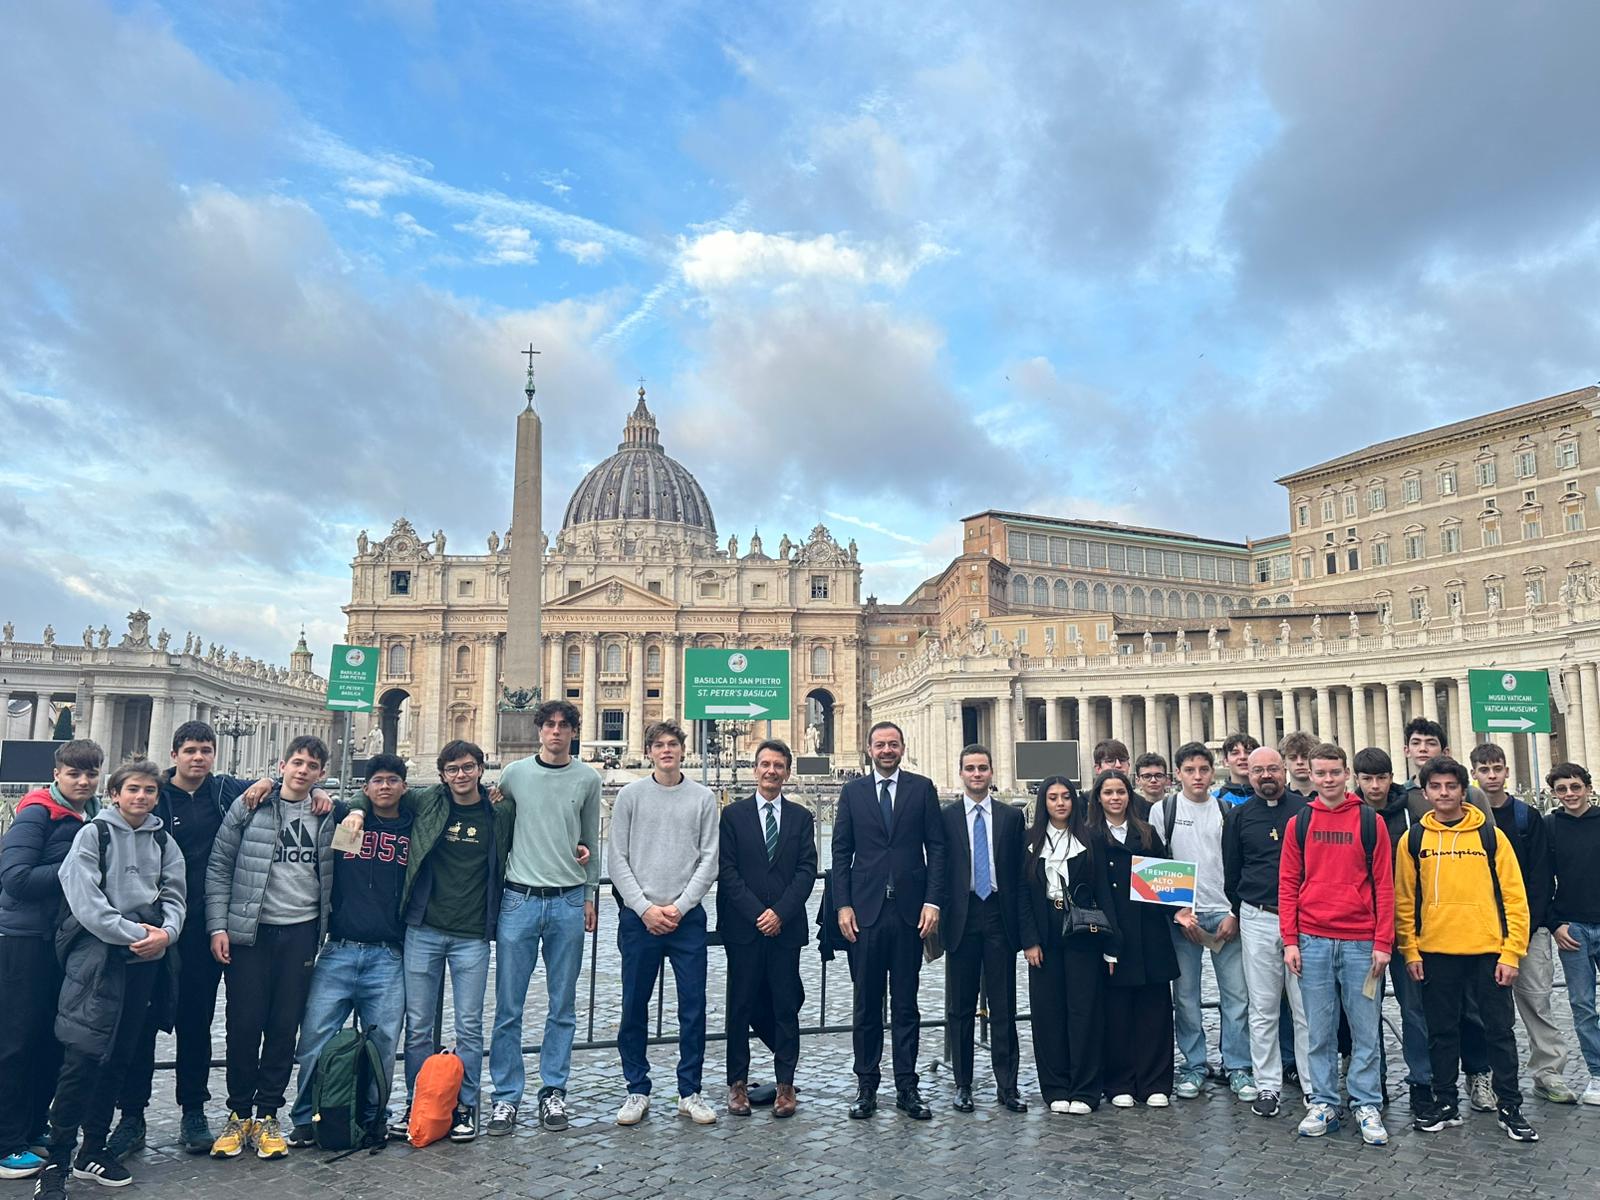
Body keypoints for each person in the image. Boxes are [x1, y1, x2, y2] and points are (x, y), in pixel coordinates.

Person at [341, 739, 515, 1143]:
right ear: (442, 774)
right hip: (424, 929)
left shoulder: (500, 811)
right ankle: (419, 1103)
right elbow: (376, 790)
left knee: (469, 1027)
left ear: (480, 769)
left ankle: (464, 1106)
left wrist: (581, 853)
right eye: (453, 769)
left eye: (468, 767)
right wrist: (353, 809)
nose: (460, 775)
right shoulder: (428, 802)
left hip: (472, 934)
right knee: (418, 1027)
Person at [114, 722, 272, 1158]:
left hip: (204, 927)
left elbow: (276, 784)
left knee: (196, 1023)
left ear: (215, 754)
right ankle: (131, 1116)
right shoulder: (155, 795)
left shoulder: (224, 792)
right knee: (141, 1023)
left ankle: (193, 1111)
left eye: (205, 750)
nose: (198, 757)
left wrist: (271, 780)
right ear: (175, 754)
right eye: (190, 750)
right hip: (155, 927)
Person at [36, 761, 185, 1196]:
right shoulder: (93, 835)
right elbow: (85, 898)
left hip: (145, 963)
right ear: (116, 794)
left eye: (150, 791)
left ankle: (93, 1150)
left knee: (120, 1056)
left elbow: (177, 892)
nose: (141, 797)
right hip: (99, 959)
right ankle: (57, 1161)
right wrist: (138, 934)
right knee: (82, 1057)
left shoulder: (163, 839)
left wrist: (168, 933)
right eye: (133, 789)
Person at [206, 736, 338, 1161]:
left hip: (300, 932)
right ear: (282, 765)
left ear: (321, 774)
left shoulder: (327, 813)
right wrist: (217, 926)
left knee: (284, 1028)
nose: (302, 770)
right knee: (242, 1026)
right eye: (297, 762)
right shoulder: (249, 803)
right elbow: (220, 865)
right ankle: (238, 1113)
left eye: (312, 766)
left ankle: (267, 1115)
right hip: (251, 931)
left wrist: (323, 796)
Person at [1394, 756, 1537, 1141]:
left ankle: (1510, 1106)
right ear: (1424, 793)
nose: (1444, 794)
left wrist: (1512, 953)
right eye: (1436, 787)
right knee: (1441, 1032)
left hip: (1488, 950)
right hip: (1436, 951)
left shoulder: (1491, 836)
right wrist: (1410, 950)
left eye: (1450, 787)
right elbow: (1404, 901)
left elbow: (1514, 898)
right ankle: (1445, 1102)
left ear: (1463, 790)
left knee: (1499, 1033)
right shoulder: (1414, 840)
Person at [283, 755, 414, 1148]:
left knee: (385, 1045)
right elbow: (304, 791)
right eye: (377, 780)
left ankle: (374, 1117)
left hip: (388, 956)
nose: (385, 787)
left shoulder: (414, 826)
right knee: (314, 1040)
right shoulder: (345, 817)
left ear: (404, 787)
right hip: (338, 950)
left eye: (393, 780)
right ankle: (306, 1116)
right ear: (365, 787)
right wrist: (270, 784)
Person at [487, 701, 601, 1136]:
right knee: (508, 1007)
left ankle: (553, 1089)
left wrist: (590, 893)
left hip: (569, 901)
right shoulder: (514, 775)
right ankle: (505, 1096)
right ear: (539, 731)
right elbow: (495, 822)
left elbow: (592, 839)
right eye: (550, 725)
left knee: (562, 1006)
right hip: (519, 900)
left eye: (564, 726)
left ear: (574, 731)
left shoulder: (589, 778)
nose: (556, 732)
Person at [1278, 743, 1394, 1146]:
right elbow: (1289, 883)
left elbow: (1384, 884)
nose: (1327, 779)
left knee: (1365, 1031)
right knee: (1319, 1030)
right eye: (1320, 772)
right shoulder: (1299, 823)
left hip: (1361, 940)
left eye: (1334, 772)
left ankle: (1366, 1103)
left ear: (1347, 774)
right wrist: (1289, 941)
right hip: (1312, 939)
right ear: (1310, 774)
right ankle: (1324, 1102)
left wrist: (1384, 942)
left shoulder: (1369, 821)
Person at [832, 721, 946, 1121]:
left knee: (906, 1005)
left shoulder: (922, 788)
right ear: (868, 749)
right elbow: (840, 854)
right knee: (865, 1005)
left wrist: (933, 901)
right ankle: (866, 1086)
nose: (886, 750)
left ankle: (906, 1085)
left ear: (902, 747)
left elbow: (936, 848)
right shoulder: (852, 792)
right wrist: (842, 906)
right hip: (864, 915)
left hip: (910, 914)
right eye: (879, 744)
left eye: (892, 744)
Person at [0, 740, 102, 1181]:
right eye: (74, 773)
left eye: (91, 773)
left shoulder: (90, 817)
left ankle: (32, 1126)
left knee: (48, 1039)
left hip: (57, 942)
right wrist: (74, 866)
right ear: (57, 774)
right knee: (17, 1040)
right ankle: (7, 1142)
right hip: (23, 939)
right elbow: (16, 878)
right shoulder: (36, 812)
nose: (82, 781)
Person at [610, 722, 720, 1127]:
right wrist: (644, 909)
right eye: (659, 745)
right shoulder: (629, 795)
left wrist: (681, 905)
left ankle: (689, 1090)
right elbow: (616, 857)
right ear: (650, 751)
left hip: (687, 919)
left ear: (684, 750)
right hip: (640, 919)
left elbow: (710, 858)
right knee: (633, 1006)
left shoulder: (703, 797)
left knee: (692, 1008)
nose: (667, 750)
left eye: (673, 744)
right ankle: (636, 1088)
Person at [717, 739, 816, 1119]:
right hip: (744, 926)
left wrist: (781, 913)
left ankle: (785, 1083)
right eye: (765, 764)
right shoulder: (733, 816)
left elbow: (807, 870)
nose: (771, 771)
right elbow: (727, 871)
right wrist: (760, 912)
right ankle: (737, 1083)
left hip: (785, 928)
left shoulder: (801, 818)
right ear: (754, 769)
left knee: (785, 1006)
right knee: (739, 1007)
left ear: (787, 772)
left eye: (778, 765)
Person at [1468, 742, 1572, 1103]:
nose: (1492, 776)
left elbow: (1541, 876)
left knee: (1537, 1002)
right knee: (1487, 1010)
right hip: (1482, 930)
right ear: (1474, 774)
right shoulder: (1468, 819)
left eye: (1497, 768)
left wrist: (1530, 926)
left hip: (1527, 928)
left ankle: (1548, 1072)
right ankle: (1491, 1077)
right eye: (1485, 770)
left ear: (1507, 771)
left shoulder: (1527, 816)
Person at [1018, 774, 1118, 1113]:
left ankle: (1086, 1089)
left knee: (1085, 1011)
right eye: (1053, 797)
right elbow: (1023, 896)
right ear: (1043, 803)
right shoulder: (1030, 840)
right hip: (1044, 933)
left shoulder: (1090, 839)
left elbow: (1104, 891)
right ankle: (1055, 1086)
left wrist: (1111, 944)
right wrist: (1029, 940)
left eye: (1066, 797)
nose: (1060, 803)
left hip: (1083, 933)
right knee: (1048, 1013)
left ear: (1075, 802)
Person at [1160, 742, 1253, 1101]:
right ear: (1178, 774)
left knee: (1237, 996)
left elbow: (1242, 864)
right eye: (1189, 770)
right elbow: (1155, 866)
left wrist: (1234, 911)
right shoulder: (1163, 811)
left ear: (1213, 772)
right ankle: (1194, 1065)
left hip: (1224, 912)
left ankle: (1237, 1066)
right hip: (1184, 917)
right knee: (1185, 997)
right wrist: (1177, 912)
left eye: (1203, 769)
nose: (1197, 776)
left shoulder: (1228, 810)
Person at [940, 745, 1027, 1114]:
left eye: (982, 768)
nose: (977, 774)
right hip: (961, 917)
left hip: (998, 916)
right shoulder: (945, 818)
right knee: (959, 1008)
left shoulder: (1011, 817)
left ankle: (1008, 1085)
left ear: (991, 773)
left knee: (1003, 1005)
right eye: (970, 769)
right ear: (961, 773)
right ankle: (963, 1084)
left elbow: (1021, 876)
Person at [1222, 747, 1307, 1118]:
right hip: (1259, 917)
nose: (1266, 776)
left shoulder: (1305, 810)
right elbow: (1231, 871)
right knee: (1263, 1006)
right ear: (1249, 775)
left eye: (1273, 768)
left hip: (1304, 919)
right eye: (1259, 771)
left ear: (1285, 770)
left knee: (1306, 1008)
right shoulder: (1239, 817)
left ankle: (1311, 1083)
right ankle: (1268, 1085)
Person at [1091, 768, 1179, 1107]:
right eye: (1108, 792)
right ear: (1098, 798)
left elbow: (1163, 880)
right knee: (1117, 1014)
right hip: (1115, 932)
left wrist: (1178, 911)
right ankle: (1119, 1082)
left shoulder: (1147, 832)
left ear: (1130, 796)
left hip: (1150, 932)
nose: (1115, 798)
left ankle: (1156, 1081)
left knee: (1155, 1012)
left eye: (1121, 792)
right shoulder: (1091, 836)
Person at [1352, 746, 1432, 1115]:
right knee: (1365, 1011)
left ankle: (1422, 1080)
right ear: (1357, 780)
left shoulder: (1412, 811)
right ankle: (1374, 1081)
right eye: (1367, 779)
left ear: (1390, 777)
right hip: (1363, 931)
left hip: (1406, 929)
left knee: (1414, 1008)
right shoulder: (1348, 814)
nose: (1374, 786)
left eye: (1380, 778)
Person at [1546, 762, 1600, 1105]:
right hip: (1572, 928)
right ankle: (1597, 1073)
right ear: (1554, 793)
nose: (1570, 794)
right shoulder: (1549, 826)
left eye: (1575, 787)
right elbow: (1539, 879)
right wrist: (1554, 923)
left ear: (1588, 788)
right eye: (1562, 789)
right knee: (1582, 1005)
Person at [1214, 733, 1260, 805]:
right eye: (1235, 753)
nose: (1243, 757)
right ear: (1225, 761)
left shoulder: (1271, 795)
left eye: (1248, 752)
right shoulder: (1214, 799)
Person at [1279, 731, 1318, 803]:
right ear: (1284, 763)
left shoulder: (1329, 798)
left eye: (1305, 757)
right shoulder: (1278, 799)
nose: (1299, 762)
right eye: (1293, 758)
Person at [1133, 752, 1169, 818]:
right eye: (1147, 776)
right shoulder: (1132, 812)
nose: (1153, 780)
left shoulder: (1176, 808)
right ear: (1137, 780)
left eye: (1158, 776)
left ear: (1166, 779)